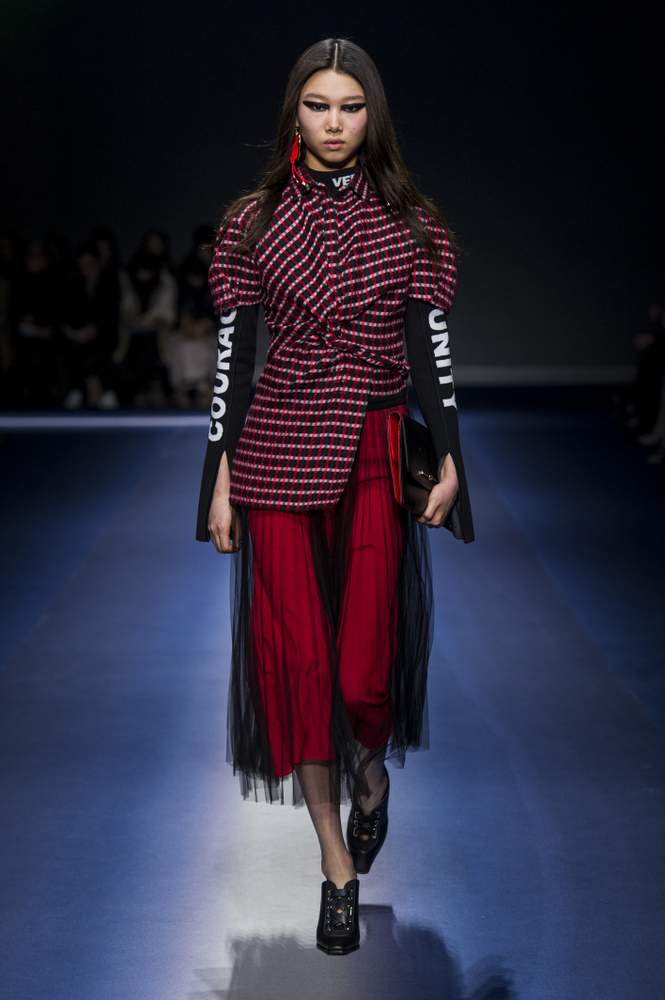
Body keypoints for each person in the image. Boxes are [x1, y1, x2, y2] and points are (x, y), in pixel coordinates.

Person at [194, 37, 475, 955]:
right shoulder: (252, 223)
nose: (334, 122)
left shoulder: (411, 224)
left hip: (372, 447)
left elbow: (432, 353)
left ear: (372, 116)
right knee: (300, 672)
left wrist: (453, 459)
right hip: (276, 451)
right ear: (294, 113)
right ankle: (335, 866)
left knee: (362, 673)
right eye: (318, 105)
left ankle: (371, 778)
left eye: (351, 107)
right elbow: (234, 360)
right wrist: (218, 478)